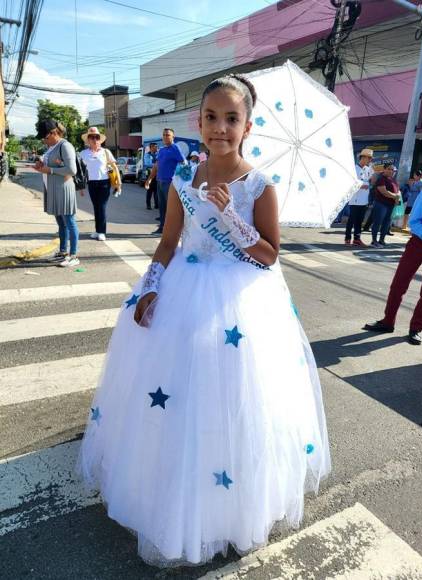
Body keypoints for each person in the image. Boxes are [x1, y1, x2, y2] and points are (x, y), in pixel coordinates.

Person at [78, 73, 330, 567]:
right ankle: (173, 489)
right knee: (176, 399)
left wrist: (233, 220)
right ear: (199, 122)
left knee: (234, 402)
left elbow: (269, 255)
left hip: (241, 304)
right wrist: (150, 288)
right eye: (211, 117)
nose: (220, 128)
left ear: (247, 126)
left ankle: (228, 505)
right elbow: (169, 243)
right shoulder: (182, 179)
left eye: (231, 119)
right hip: (182, 296)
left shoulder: (259, 186)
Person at [364, 185, 422, 345]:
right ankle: (388, 322)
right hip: (419, 243)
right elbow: (414, 222)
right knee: (399, 284)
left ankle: (415, 329)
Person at [34, 119, 80, 268]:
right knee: (61, 224)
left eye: (45, 137)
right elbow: (50, 164)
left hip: (64, 189)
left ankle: (74, 255)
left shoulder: (65, 146)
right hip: (53, 189)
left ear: (54, 133)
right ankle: (62, 252)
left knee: (70, 222)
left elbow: (72, 170)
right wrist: (41, 164)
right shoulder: (51, 147)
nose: (44, 140)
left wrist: (51, 170)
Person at [79, 127, 121, 241]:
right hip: (91, 183)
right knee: (96, 207)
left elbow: (114, 167)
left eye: (96, 137)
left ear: (100, 140)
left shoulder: (105, 152)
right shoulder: (83, 154)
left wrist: (119, 183)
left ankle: (102, 232)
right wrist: (80, 187)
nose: (94, 139)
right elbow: (79, 171)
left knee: (102, 207)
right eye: (91, 137)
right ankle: (97, 230)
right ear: (88, 140)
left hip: (104, 183)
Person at [144, 128, 185, 234]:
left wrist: (180, 179)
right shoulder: (161, 150)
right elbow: (156, 165)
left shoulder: (175, 148)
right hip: (159, 182)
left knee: (171, 208)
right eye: (164, 135)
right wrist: (149, 179)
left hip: (170, 183)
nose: (165, 137)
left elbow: (184, 163)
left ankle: (173, 230)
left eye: (168, 135)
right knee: (162, 207)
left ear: (173, 137)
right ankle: (162, 227)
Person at [345, 148, 374, 246]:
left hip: (364, 199)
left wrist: (373, 174)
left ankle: (357, 238)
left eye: (371, 158)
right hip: (355, 198)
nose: (370, 160)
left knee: (360, 220)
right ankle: (347, 238)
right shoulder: (354, 169)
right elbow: (350, 183)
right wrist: (362, 185)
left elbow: (371, 181)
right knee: (352, 219)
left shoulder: (368, 169)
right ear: (363, 157)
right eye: (369, 158)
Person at [371, 163, 401, 248]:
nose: (391, 171)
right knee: (377, 222)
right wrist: (395, 196)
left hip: (390, 205)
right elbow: (384, 192)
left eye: (392, 169)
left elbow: (398, 190)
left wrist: (397, 196)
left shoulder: (393, 180)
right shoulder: (381, 179)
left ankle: (381, 240)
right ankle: (374, 241)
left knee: (386, 223)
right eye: (389, 169)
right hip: (381, 204)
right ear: (384, 169)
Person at [145, 142, 159, 211]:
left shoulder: (158, 154)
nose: (156, 148)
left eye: (157, 146)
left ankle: (157, 204)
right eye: (155, 147)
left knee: (157, 191)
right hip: (150, 174)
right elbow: (148, 164)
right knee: (149, 191)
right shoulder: (147, 155)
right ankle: (148, 205)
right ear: (151, 148)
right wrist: (156, 164)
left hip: (157, 174)